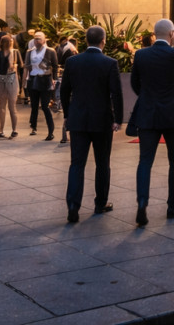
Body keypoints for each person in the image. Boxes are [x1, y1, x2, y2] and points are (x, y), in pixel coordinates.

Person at [131, 19, 174, 227]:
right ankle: (172, 206)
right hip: (173, 115)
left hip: (148, 114)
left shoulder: (141, 55)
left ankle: (142, 202)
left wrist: (148, 96)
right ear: (172, 35)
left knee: (145, 161)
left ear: (153, 34)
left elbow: (135, 83)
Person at [60, 26, 125, 223]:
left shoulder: (72, 62)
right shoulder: (109, 63)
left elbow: (64, 91)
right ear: (103, 41)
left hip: (78, 119)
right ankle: (101, 202)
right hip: (102, 120)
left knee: (76, 164)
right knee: (102, 163)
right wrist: (118, 119)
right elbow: (117, 93)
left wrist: (68, 114)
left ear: (86, 41)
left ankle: (73, 206)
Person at [25, 32, 58, 139]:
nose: (37, 41)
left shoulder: (50, 51)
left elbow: (55, 65)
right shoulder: (30, 52)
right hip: (33, 79)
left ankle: (51, 131)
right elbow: (27, 66)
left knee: (45, 106)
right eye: (35, 39)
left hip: (45, 80)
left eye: (39, 39)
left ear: (44, 40)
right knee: (34, 105)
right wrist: (25, 81)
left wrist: (55, 79)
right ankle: (33, 127)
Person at [0, 34, 21, 138]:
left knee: (10, 106)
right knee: (4, 106)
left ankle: (12, 129)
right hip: (3, 79)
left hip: (11, 78)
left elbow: (20, 67)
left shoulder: (14, 53)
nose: (10, 43)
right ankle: (3, 130)